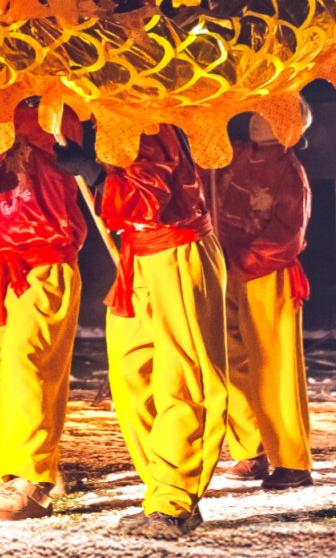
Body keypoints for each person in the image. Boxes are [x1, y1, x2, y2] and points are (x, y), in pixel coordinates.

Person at [76, 122, 225, 539]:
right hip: (138, 255)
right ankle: (161, 489)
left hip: (177, 248)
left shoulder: (147, 115)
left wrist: (95, 174)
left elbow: (147, 198)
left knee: (182, 378)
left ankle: (174, 501)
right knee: (131, 374)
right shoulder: (103, 114)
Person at [0, 101, 86, 521]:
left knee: (28, 363)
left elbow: (66, 144)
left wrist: (7, 118)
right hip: (3, 267)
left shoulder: (50, 113)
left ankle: (33, 479)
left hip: (48, 259)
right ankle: (28, 462)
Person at [213, 110, 315, 491]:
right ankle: (248, 448)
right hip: (226, 266)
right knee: (230, 360)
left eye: (272, 112)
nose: (259, 118)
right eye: (258, 110)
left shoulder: (291, 172)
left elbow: (288, 236)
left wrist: (241, 259)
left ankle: (291, 461)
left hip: (266, 271)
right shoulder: (233, 153)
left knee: (274, 368)